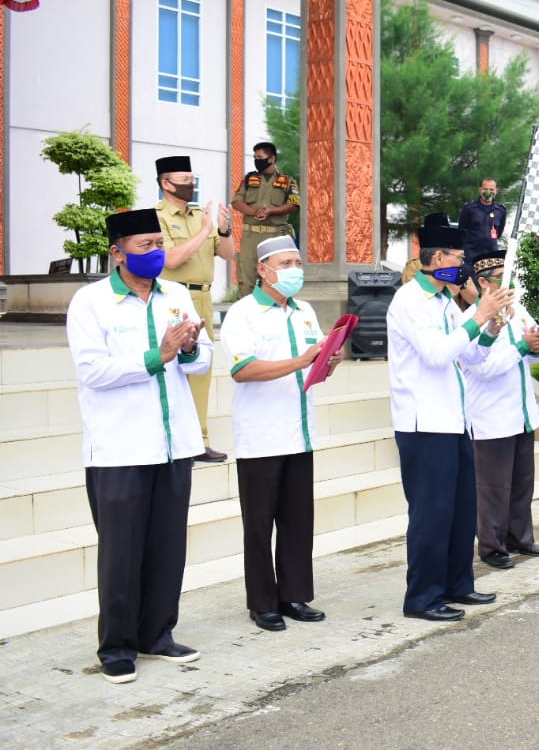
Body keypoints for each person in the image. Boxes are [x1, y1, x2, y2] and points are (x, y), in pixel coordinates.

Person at [65, 208, 212, 684]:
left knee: (167, 547)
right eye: (146, 246)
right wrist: (158, 355)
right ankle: (117, 647)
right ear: (117, 252)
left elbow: (202, 359)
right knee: (122, 552)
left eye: (159, 244)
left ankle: (157, 634)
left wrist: (188, 350)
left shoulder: (174, 295)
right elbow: (93, 372)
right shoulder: (91, 303)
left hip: (174, 444)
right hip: (120, 449)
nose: (156, 253)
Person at [386, 219, 514, 621]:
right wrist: (479, 316)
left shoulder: (444, 301)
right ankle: (422, 598)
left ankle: (458, 585)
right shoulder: (409, 301)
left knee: (461, 510)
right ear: (437, 258)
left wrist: (490, 327)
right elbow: (437, 354)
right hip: (423, 424)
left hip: (455, 420)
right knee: (431, 514)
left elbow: (468, 355)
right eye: (458, 259)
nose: (462, 267)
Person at [219, 235, 338, 632]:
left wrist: (326, 361)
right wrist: (300, 360)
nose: (294, 271)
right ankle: (262, 602)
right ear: (263, 270)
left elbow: (311, 367)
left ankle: (294, 595)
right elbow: (243, 369)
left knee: (297, 520)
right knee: (259, 524)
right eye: (286, 264)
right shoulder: (243, 313)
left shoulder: (303, 311)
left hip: (299, 432)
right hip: (261, 435)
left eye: (297, 263)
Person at [459, 244, 539, 570]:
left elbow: (536, 353)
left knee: (521, 484)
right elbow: (482, 367)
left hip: (520, 412)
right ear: (484, 283)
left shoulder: (519, 309)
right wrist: (520, 346)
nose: (508, 284)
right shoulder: (470, 320)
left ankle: (520, 538)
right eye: (502, 278)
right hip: (490, 416)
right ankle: (492, 546)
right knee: (492, 488)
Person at [155, 154, 234, 463]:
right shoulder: (156, 217)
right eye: (184, 181)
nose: (190, 186)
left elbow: (226, 254)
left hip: (202, 298)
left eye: (192, 181)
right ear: (165, 183)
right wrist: (204, 231)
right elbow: (170, 260)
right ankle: (172, 438)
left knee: (201, 369)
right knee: (173, 370)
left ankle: (199, 440)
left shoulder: (200, 214)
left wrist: (224, 230)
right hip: (173, 300)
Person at [232, 141, 299, 300]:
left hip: (275, 237)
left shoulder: (287, 181)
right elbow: (236, 202)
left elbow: (294, 204)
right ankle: (246, 318)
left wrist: (271, 211)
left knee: (276, 280)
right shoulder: (249, 179)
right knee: (246, 280)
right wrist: (254, 212)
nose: (257, 160)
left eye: (260, 157)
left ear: (271, 159)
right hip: (251, 237)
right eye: (255, 157)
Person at [457, 177, 506, 261]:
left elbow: (499, 232)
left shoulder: (501, 210)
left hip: (491, 255)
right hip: (470, 255)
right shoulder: (469, 208)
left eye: (491, 189)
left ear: (496, 191)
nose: (488, 192)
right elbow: (461, 231)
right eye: (485, 189)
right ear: (480, 190)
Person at [402, 213, 449, 285]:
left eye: (444, 234)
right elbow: (412, 291)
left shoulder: (456, 262)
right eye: (435, 234)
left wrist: (462, 285)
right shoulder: (414, 265)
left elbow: (471, 295)